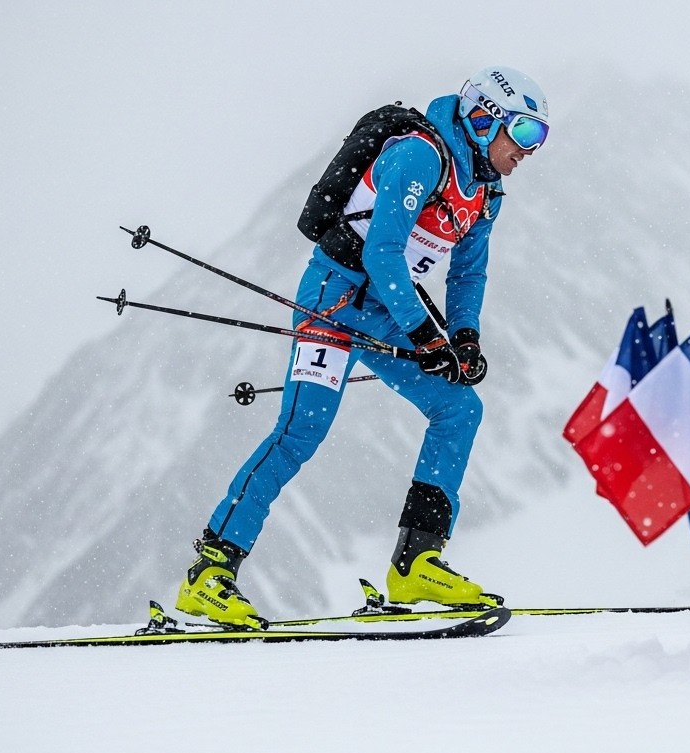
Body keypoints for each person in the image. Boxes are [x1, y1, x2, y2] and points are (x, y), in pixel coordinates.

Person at [174, 67, 550, 629]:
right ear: (483, 119)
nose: (528, 151)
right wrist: (426, 335)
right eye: (522, 134)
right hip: (335, 296)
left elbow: (468, 274)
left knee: (459, 407)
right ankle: (209, 574)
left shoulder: (487, 192)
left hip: (385, 307)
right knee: (302, 430)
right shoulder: (421, 155)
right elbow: (383, 252)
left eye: (538, 139)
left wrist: (464, 337)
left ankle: (416, 561)